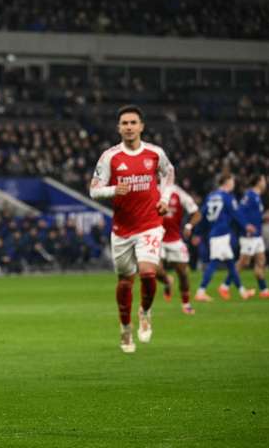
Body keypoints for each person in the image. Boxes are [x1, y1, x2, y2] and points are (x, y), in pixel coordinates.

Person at [89, 105, 175, 354]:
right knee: (125, 282)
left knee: (148, 273)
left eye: (133, 122)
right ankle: (125, 328)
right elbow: (94, 190)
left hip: (150, 224)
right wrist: (113, 190)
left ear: (141, 126)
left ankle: (145, 312)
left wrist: (165, 198)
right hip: (122, 229)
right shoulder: (110, 157)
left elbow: (169, 174)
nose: (129, 127)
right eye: (124, 123)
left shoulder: (155, 153)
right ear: (119, 128)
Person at [194, 174, 257, 302]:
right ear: (227, 182)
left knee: (230, 264)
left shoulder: (211, 196)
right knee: (214, 262)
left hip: (215, 232)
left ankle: (243, 292)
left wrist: (197, 233)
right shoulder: (227, 197)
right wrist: (246, 226)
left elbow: (203, 215)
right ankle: (200, 292)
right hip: (221, 233)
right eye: (232, 181)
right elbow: (236, 213)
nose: (234, 183)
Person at [157, 185, 202, 314]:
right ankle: (167, 281)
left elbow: (197, 214)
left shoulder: (178, 193)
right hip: (157, 237)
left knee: (183, 273)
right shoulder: (151, 189)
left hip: (175, 239)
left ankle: (186, 304)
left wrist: (189, 226)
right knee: (154, 270)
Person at [237, 174, 269, 298]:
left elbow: (253, 214)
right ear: (258, 182)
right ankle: (225, 286)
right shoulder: (249, 195)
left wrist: (263, 218)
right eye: (264, 180)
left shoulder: (257, 196)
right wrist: (246, 226)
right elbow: (239, 212)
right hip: (250, 235)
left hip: (257, 235)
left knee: (261, 260)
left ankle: (264, 290)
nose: (265, 183)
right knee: (244, 262)